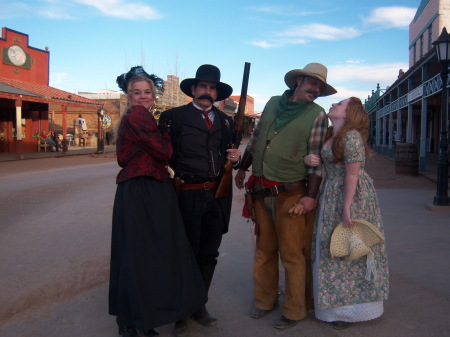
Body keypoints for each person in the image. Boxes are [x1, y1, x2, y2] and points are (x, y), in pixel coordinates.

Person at [234, 63, 337, 330]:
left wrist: (311, 196)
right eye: (312, 83)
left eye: (320, 87)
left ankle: (295, 310)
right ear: (298, 81)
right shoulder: (272, 103)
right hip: (260, 191)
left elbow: (314, 159)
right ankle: (264, 301)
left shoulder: (317, 114)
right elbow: (255, 139)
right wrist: (242, 169)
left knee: (293, 254)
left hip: (292, 194)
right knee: (264, 250)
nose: (316, 89)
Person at [109, 66, 207, 337]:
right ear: (129, 96)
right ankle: (135, 320)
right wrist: (166, 131)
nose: (143, 97)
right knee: (147, 255)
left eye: (147, 92)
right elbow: (164, 152)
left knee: (136, 254)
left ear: (154, 94)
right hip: (144, 189)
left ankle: (133, 319)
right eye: (137, 92)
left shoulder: (133, 116)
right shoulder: (139, 115)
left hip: (141, 189)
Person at [159, 64, 241, 337]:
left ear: (217, 93)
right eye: (203, 87)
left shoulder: (227, 121)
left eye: (212, 88)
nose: (207, 92)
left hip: (216, 195)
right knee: (185, 254)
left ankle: (199, 306)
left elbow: (229, 154)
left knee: (209, 255)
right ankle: (181, 312)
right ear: (193, 90)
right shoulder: (173, 118)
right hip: (186, 194)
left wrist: (235, 158)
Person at [302, 97, 389, 329]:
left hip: (351, 196)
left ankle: (351, 311)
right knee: (330, 246)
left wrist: (346, 207)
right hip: (331, 192)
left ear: (348, 113)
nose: (333, 105)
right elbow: (321, 163)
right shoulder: (332, 134)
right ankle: (330, 305)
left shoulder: (350, 136)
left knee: (348, 247)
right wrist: (307, 158)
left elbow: (352, 175)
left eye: (339, 104)